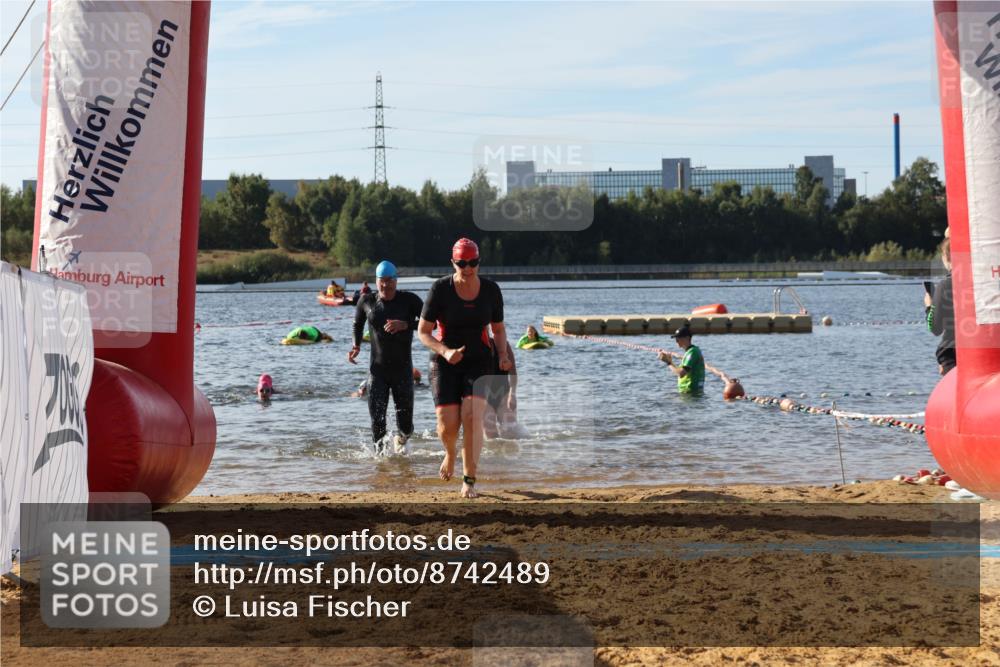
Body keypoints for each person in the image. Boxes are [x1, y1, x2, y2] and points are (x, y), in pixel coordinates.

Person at [418, 238, 509, 498]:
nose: (468, 269)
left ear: (479, 262)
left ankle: (469, 479)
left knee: (472, 418)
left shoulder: (491, 290)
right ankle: (449, 453)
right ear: (453, 263)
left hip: (479, 360)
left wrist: (502, 355)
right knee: (448, 425)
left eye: (473, 263)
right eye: (462, 264)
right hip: (445, 361)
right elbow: (423, 332)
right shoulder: (440, 289)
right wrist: (445, 351)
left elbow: (498, 329)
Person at [348, 260, 423, 455]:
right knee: (377, 422)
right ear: (376, 281)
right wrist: (356, 345)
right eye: (382, 281)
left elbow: (432, 323)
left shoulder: (410, 301)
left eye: (390, 281)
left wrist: (406, 325)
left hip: (403, 370)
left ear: (396, 281)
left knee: (406, 425)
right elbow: (357, 324)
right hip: (377, 372)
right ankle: (381, 463)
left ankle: (402, 438)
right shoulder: (367, 301)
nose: (386, 285)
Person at [483, 339, 527, 439]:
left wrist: (513, 394)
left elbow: (513, 372)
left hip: (503, 394)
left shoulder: (503, 344)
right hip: (483, 396)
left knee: (512, 434)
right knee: (491, 436)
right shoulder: (472, 345)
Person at [925, 237, 955, 375]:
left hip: (951, 354)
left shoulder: (944, 286)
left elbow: (935, 328)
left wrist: (929, 306)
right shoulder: (983, 284)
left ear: (947, 257)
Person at [658, 326, 705, 395]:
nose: (676, 341)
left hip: (691, 394)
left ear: (687, 338)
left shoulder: (693, 352)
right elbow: (681, 372)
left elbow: (681, 373)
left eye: (679, 338)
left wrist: (668, 362)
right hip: (688, 393)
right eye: (676, 339)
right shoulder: (690, 352)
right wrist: (670, 361)